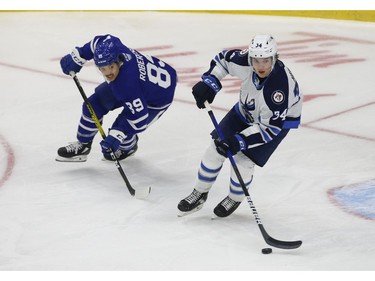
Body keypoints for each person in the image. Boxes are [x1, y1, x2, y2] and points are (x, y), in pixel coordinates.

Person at [178, 35, 303, 217]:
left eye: (266, 61)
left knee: (243, 161)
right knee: (215, 148)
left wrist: (240, 141)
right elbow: (223, 60)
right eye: (256, 60)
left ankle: (234, 198)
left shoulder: (278, 89)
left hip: (276, 123)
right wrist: (210, 82)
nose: (260, 66)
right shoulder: (246, 61)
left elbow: (270, 129)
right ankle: (200, 191)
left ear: (275, 58)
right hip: (246, 109)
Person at [56, 34, 177, 162]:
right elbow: (97, 42)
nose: (108, 73)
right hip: (139, 83)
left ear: (117, 61)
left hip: (157, 99)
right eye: (102, 68)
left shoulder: (127, 84)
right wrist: (79, 55)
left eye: (111, 67)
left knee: (120, 132)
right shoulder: (111, 46)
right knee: (93, 105)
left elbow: (140, 118)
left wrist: (118, 134)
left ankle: (129, 146)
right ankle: (83, 145)